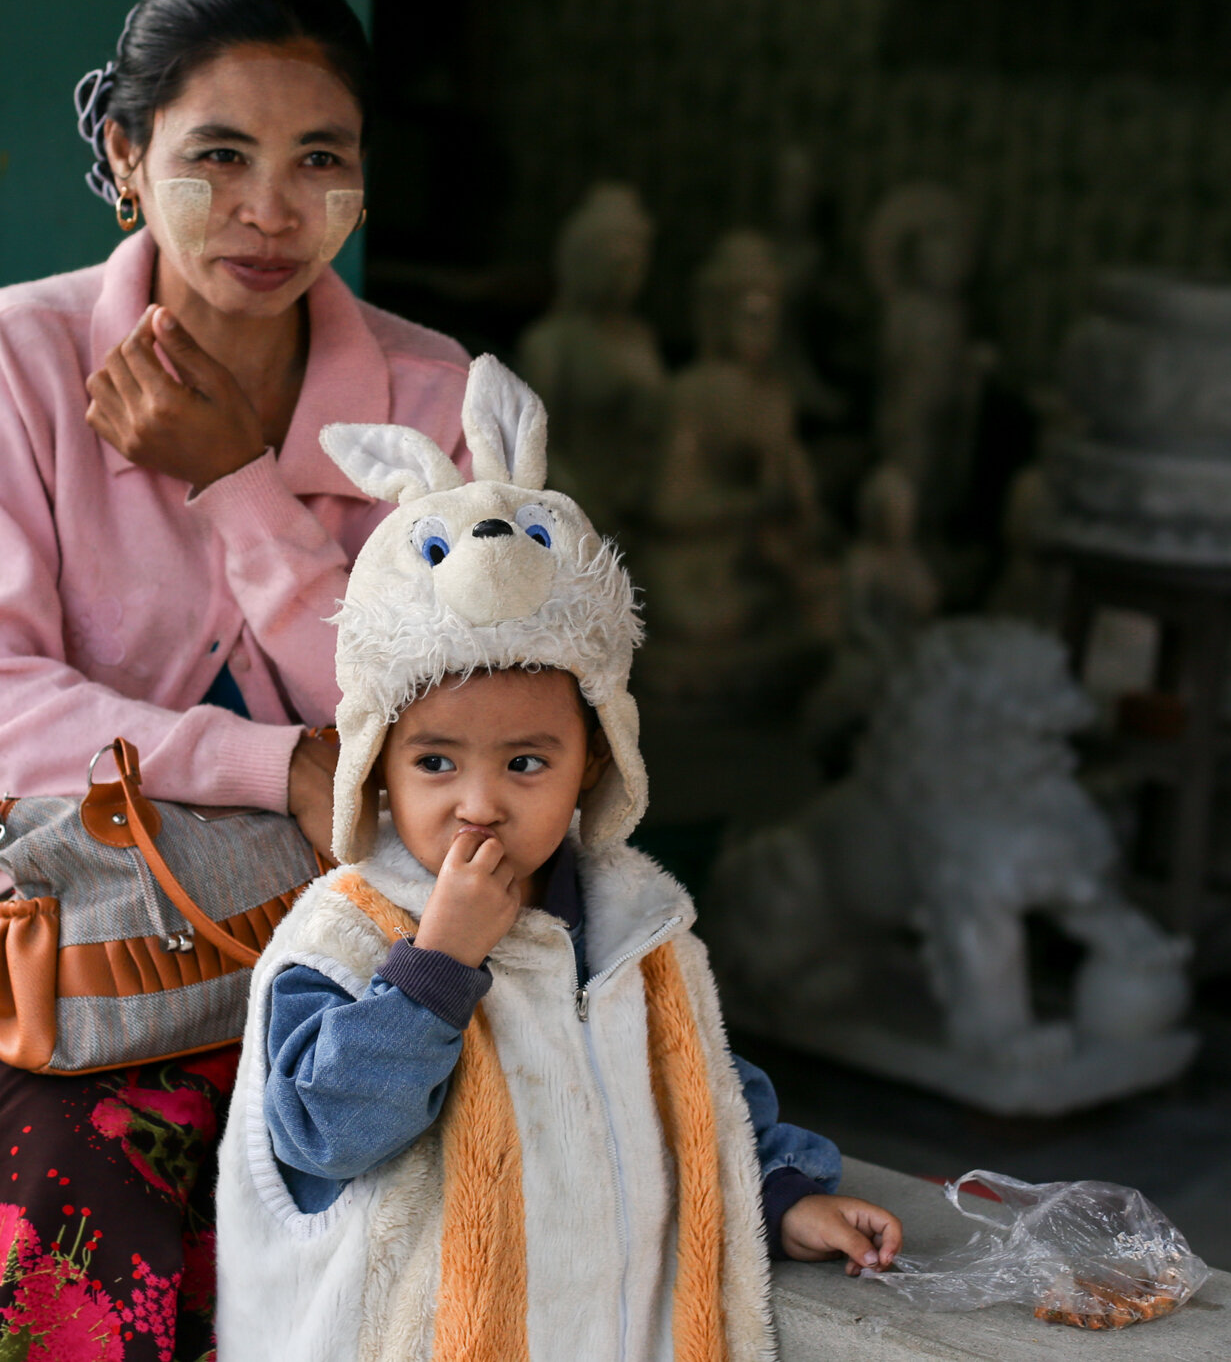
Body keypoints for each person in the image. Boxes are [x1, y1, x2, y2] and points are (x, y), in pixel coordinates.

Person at [0, 0, 470, 1362]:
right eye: (219, 155)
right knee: (80, 1179)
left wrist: (236, 485)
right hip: (47, 920)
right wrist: (277, 764)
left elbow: (441, 733)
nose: (271, 212)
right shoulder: (17, 361)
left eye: (318, 159)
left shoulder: (435, 401)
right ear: (127, 157)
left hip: (349, 924)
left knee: (441, 1176)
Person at [215, 357, 901, 1361]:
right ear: (374, 768)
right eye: (435, 760)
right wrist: (435, 969)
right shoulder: (350, 935)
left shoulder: (629, 922)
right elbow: (319, 1132)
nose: (479, 798)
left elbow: (693, 1085)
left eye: (526, 760)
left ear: (593, 763)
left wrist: (786, 1190)